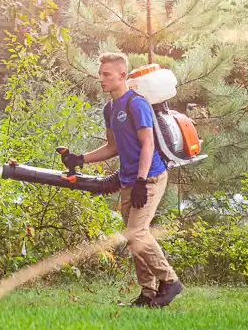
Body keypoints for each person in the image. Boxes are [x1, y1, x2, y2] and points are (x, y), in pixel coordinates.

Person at [61, 52, 183, 308]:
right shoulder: (110, 108)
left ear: (122, 75)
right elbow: (112, 147)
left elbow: (148, 144)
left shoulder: (136, 104)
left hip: (149, 177)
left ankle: (170, 281)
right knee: (133, 237)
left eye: (106, 75)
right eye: (100, 74)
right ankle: (148, 293)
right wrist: (80, 158)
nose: (101, 79)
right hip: (129, 179)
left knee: (137, 232)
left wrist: (140, 181)